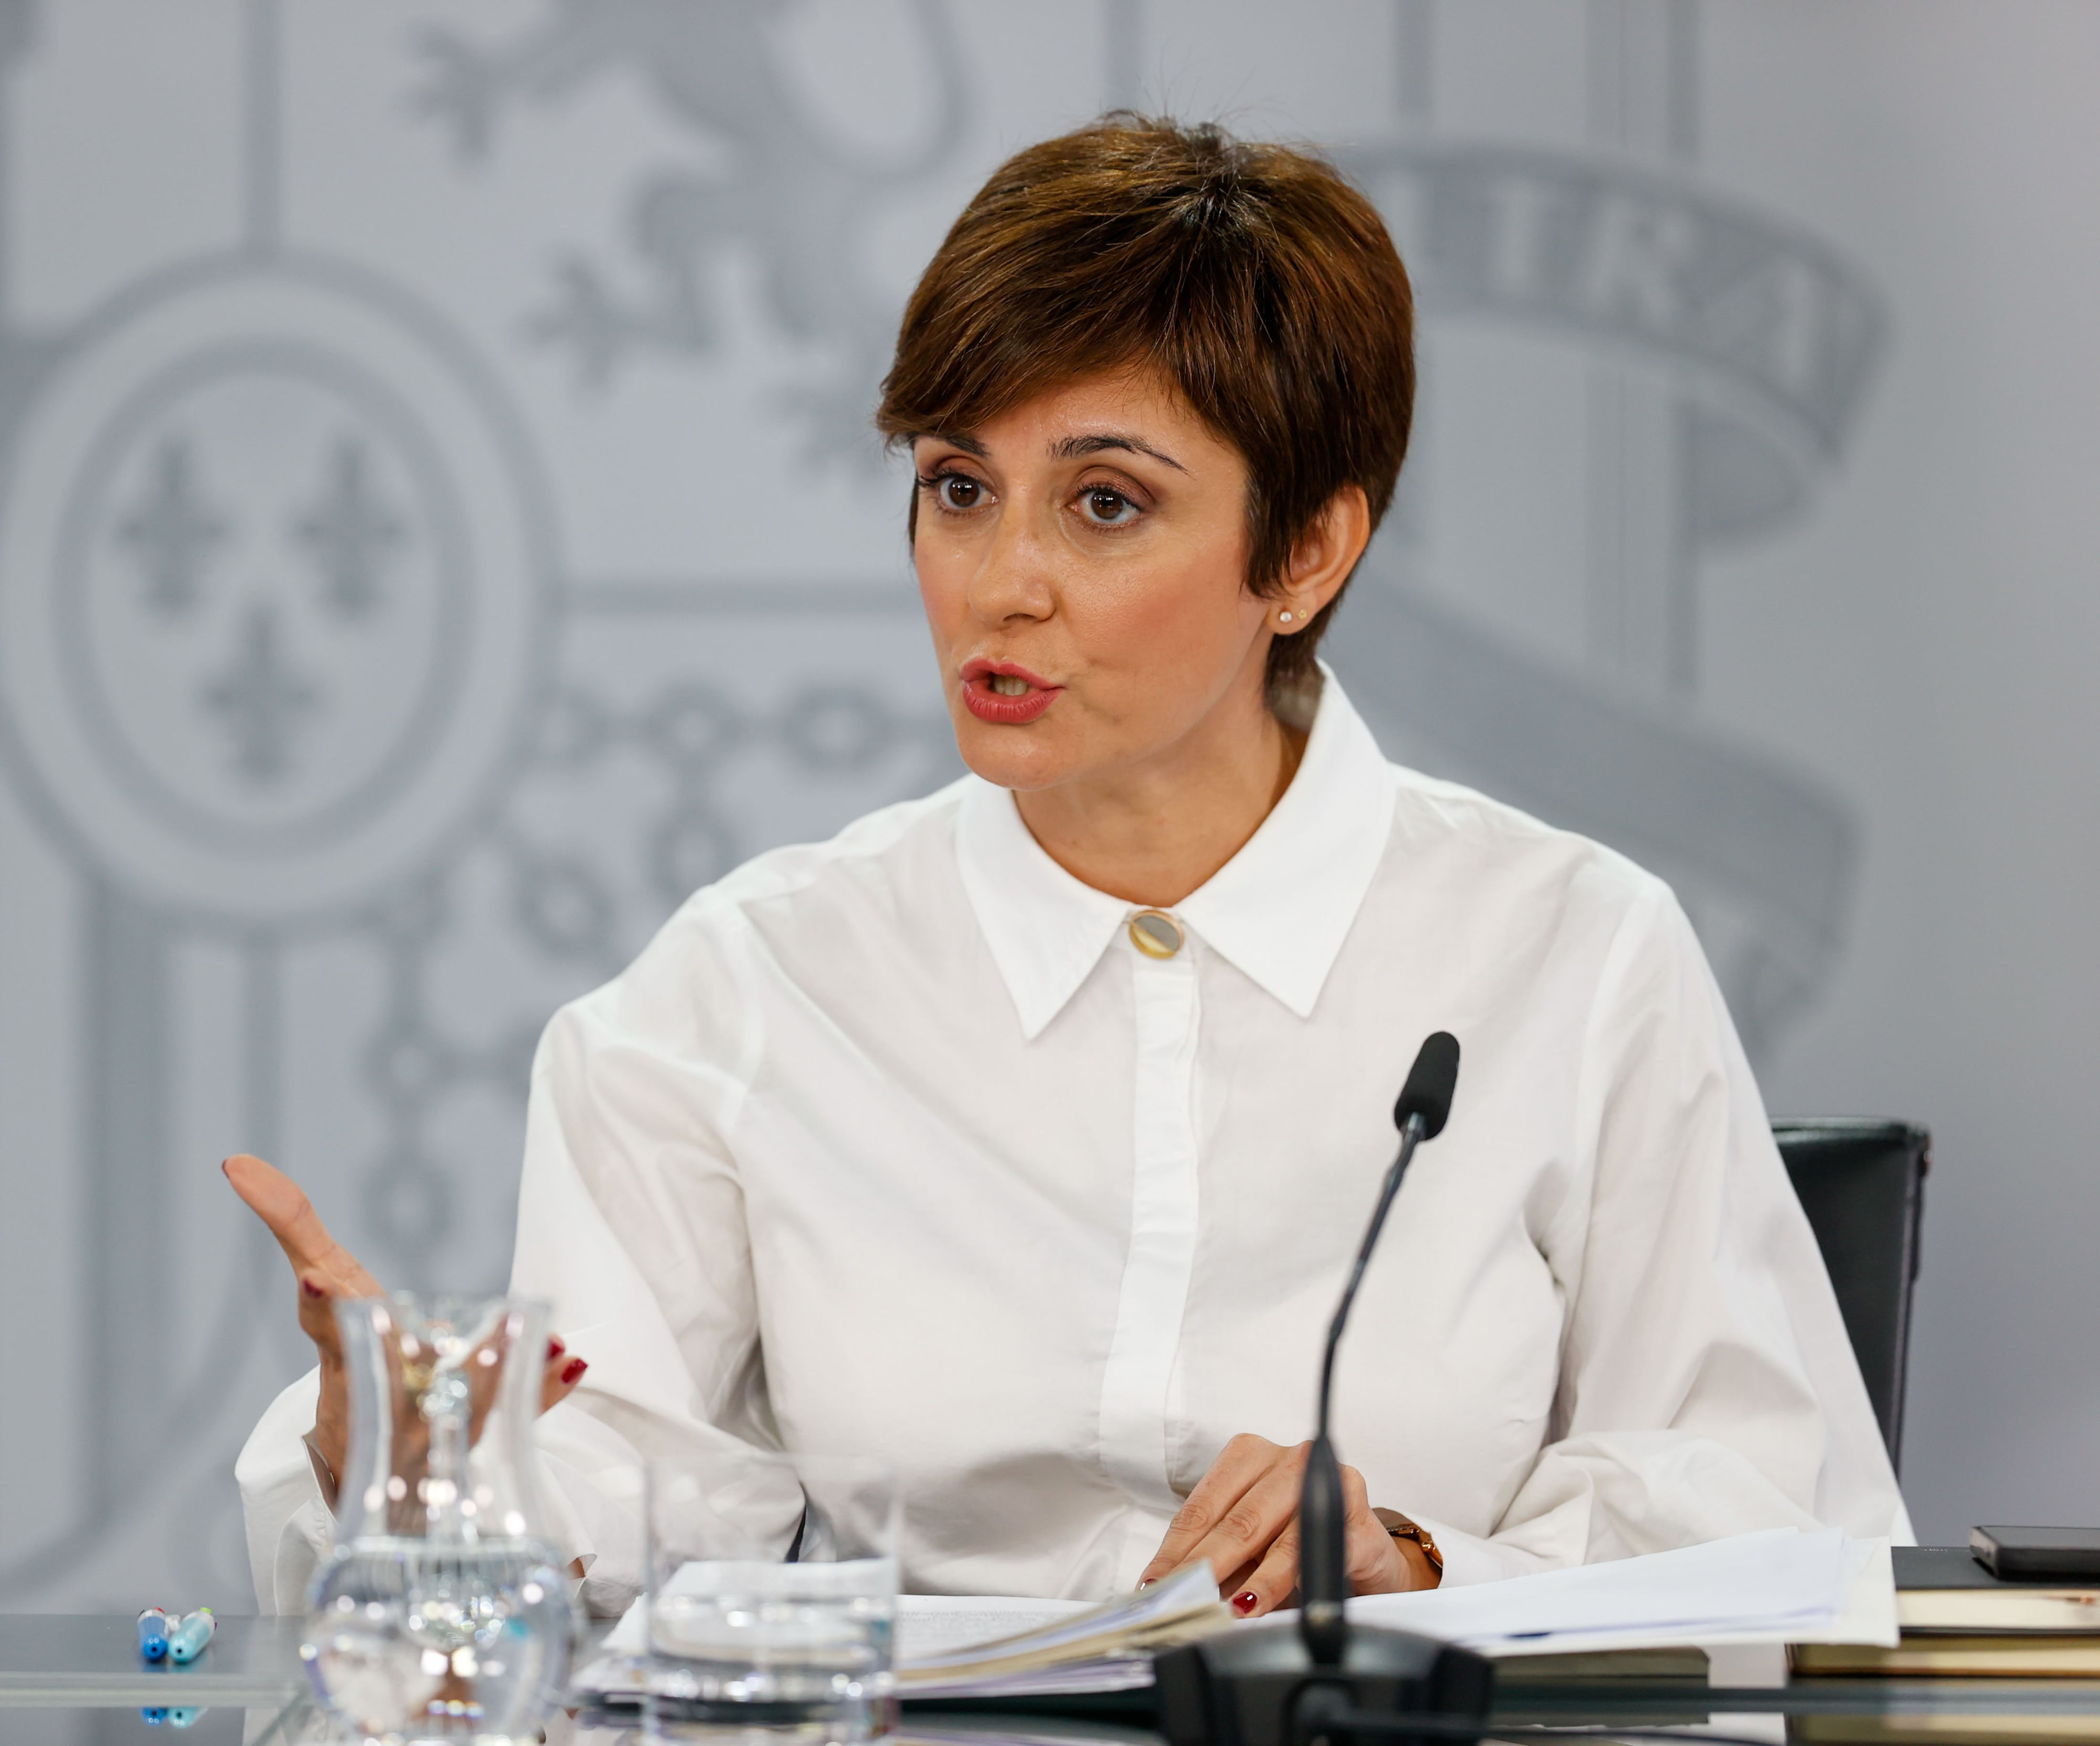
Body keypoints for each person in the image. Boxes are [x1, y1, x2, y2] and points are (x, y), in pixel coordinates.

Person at [230, 115, 1910, 1623]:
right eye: (960, 489)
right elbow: (618, 1505)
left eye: (1104, 506)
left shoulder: (1573, 955)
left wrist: (1418, 1562)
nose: (999, 584)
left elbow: (1791, 1522)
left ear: (1310, 550)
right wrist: (397, 1455)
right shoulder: (746, 986)